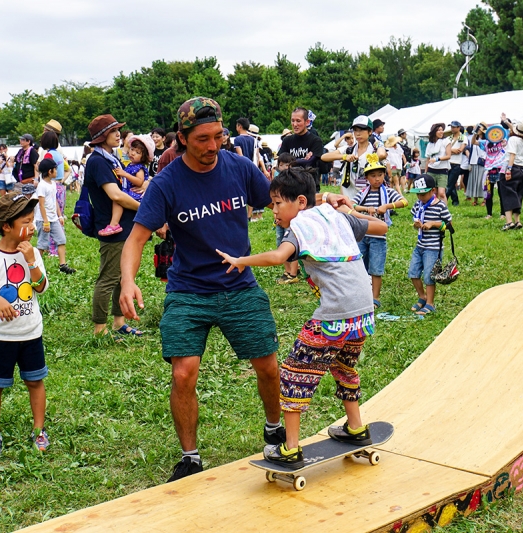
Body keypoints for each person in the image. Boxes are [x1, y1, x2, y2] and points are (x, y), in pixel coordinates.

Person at [119, 97, 353, 482]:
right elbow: (137, 237)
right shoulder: (166, 183)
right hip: (188, 291)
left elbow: (283, 197)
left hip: (239, 285)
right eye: (202, 140)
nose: (213, 147)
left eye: (218, 137)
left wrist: (324, 199)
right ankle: (190, 456)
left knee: (268, 366)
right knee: (183, 373)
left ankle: (275, 429)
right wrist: (128, 280)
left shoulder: (239, 167)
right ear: (182, 138)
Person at [216, 166, 387, 467]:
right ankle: (356, 429)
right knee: (343, 366)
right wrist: (347, 207)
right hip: (362, 314)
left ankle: (291, 448)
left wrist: (241, 260)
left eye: (279, 203)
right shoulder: (337, 217)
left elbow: (278, 257)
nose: (274, 210)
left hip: (335, 315)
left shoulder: (300, 228)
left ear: (301, 202)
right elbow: (381, 228)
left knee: (295, 372)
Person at [0, 193, 50, 456]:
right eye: (26, 221)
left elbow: (41, 287)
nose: (32, 226)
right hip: (1, 336)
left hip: (30, 332)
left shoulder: (33, 252)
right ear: (7, 226)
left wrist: (31, 263)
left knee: (35, 381)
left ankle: (39, 430)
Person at [84, 114, 143, 337]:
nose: (119, 134)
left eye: (118, 130)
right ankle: (100, 328)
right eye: (113, 131)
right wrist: (144, 208)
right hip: (111, 229)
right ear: (101, 137)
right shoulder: (98, 161)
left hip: (125, 226)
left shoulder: (111, 158)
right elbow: (115, 195)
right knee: (108, 279)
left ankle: (119, 323)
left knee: (123, 276)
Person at [351, 154, 407, 308]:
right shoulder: (363, 193)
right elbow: (352, 205)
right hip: (362, 234)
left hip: (378, 236)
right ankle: (362, 295)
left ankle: (375, 298)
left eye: (380, 175)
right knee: (360, 267)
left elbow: (404, 201)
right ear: (367, 178)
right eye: (373, 176)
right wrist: (365, 209)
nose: (377, 179)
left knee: (376, 268)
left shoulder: (387, 192)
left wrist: (387, 206)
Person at [408, 174, 453, 316]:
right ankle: (422, 297)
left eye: (423, 194)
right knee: (413, 273)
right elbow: (416, 221)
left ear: (433, 191)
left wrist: (433, 224)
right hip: (420, 245)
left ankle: (430, 303)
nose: (420, 197)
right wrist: (417, 225)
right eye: (418, 194)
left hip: (433, 248)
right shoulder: (417, 205)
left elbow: (449, 226)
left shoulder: (440, 206)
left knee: (429, 276)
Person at [321, 115, 386, 200]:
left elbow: (381, 155)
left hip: (368, 197)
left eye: (362, 130)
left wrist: (379, 144)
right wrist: (345, 157)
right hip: (348, 197)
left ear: (370, 131)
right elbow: (324, 157)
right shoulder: (349, 149)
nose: (358, 133)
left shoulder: (373, 149)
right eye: (355, 130)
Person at [103, 134, 153, 235]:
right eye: (132, 149)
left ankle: (114, 224)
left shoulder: (139, 168)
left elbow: (139, 181)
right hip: (130, 191)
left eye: (137, 152)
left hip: (135, 193)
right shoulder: (130, 165)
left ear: (144, 157)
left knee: (118, 201)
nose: (133, 153)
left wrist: (125, 174)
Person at [34, 158, 76, 274]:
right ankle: (36, 267)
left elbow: (54, 201)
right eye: (55, 170)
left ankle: (63, 265)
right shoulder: (42, 186)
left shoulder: (53, 184)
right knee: (42, 244)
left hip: (54, 219)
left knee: (61, 240)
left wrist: (60, 216)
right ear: (49, 171)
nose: (57, 172)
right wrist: (46, 221)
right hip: (44, 219)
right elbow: (41, 205)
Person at [277, 107, 324, 182]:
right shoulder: (287, 140)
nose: (295, 124)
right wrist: (301, 160)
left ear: (307, 122)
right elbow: (281, 162)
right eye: (292, 121)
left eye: (298, 121)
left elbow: (310, 163)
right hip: (290, 183)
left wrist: (290, 162)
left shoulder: (315, 140)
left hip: (309, 184)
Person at [273, 154, 299, 284]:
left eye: (287, 165)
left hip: (291, 219)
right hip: (280, 219)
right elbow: (275, 201)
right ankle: (287, 271)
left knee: (292, 245)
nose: (283, 167)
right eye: (281, 164)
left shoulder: (294, 182)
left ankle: (293, 273)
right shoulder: (276, 180)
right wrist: (276, 215)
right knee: (281, 242)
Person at [500, 122, 523, 230]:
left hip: (512, 167)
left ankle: (509, 222)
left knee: (508, 194)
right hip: (521, 169)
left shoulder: (513, 140)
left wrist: (508, 170)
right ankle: (517, 221)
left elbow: (512, 155)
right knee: (518, 195)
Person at [423, 123, 450, 202]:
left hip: (442, 169)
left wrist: (437, 159)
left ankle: (444, 211)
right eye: (439, 130)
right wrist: (425, 172)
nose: (441, 132)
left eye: (442, 130)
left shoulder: (446, 141)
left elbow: (448, 156)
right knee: (433, 193)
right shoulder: (430, 144)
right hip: (431, 170)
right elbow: (428, 159)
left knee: (442, 193)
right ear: (434, 131)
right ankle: (435, 208)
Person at [444, 121, 466, 206]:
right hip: (447, 162)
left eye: (454, 127)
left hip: (456, 163)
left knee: (450, 183)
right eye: (451, 127)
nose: (452, 129)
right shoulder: (448, 138)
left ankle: (443, 200)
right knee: (451, 183)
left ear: (458, 128)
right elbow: (445, 149)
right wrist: (452, 150)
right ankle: (455, 201)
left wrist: (449, 150)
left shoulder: (463, 137)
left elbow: (460, 150)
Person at [466, 124, 487, 205]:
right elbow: (472, 146)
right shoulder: (475, 139)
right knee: (474, 181)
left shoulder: (486, 140)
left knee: (482, 181)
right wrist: (469, 163)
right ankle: (475, 200)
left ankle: (485, 200)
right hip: (474, 162)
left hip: (483, 162)